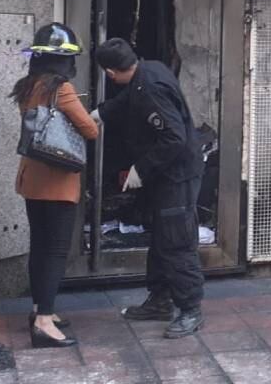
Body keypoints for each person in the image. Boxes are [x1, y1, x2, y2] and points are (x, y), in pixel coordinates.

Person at [92, 38, 206, 338]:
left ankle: (190, 309)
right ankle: (159, 300)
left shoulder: (151, 89)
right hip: (168, 174)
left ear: (109, 72)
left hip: (176, 175)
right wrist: (102, 113)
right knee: (161, 238)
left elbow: (174, 138)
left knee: (176, 243)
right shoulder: (149, 69)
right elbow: (129, 97)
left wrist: (141, 169)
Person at [12, 22, 98, 349]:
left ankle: (38, 310)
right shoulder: (60, 89)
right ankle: (45, 323)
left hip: (32, 179)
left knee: (40, 247)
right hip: (57, 184)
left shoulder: (28, 85)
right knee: (55, 251)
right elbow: (90, 130)